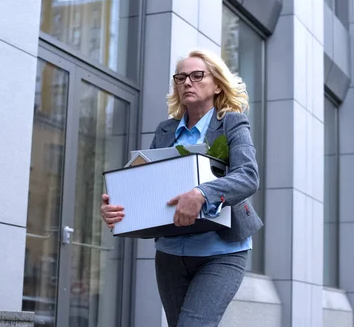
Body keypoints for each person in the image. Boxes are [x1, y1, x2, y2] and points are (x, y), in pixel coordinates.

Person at [100, 49, 263, 327]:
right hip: (171, 254)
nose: (187, 82)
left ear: (217, 84)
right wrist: (117, 206)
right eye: (181, 77)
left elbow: (248, 175)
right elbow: (145, 184)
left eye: (197, 75)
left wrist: (201, 194)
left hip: (222, 252)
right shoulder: (165, 130)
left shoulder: (232, 123)